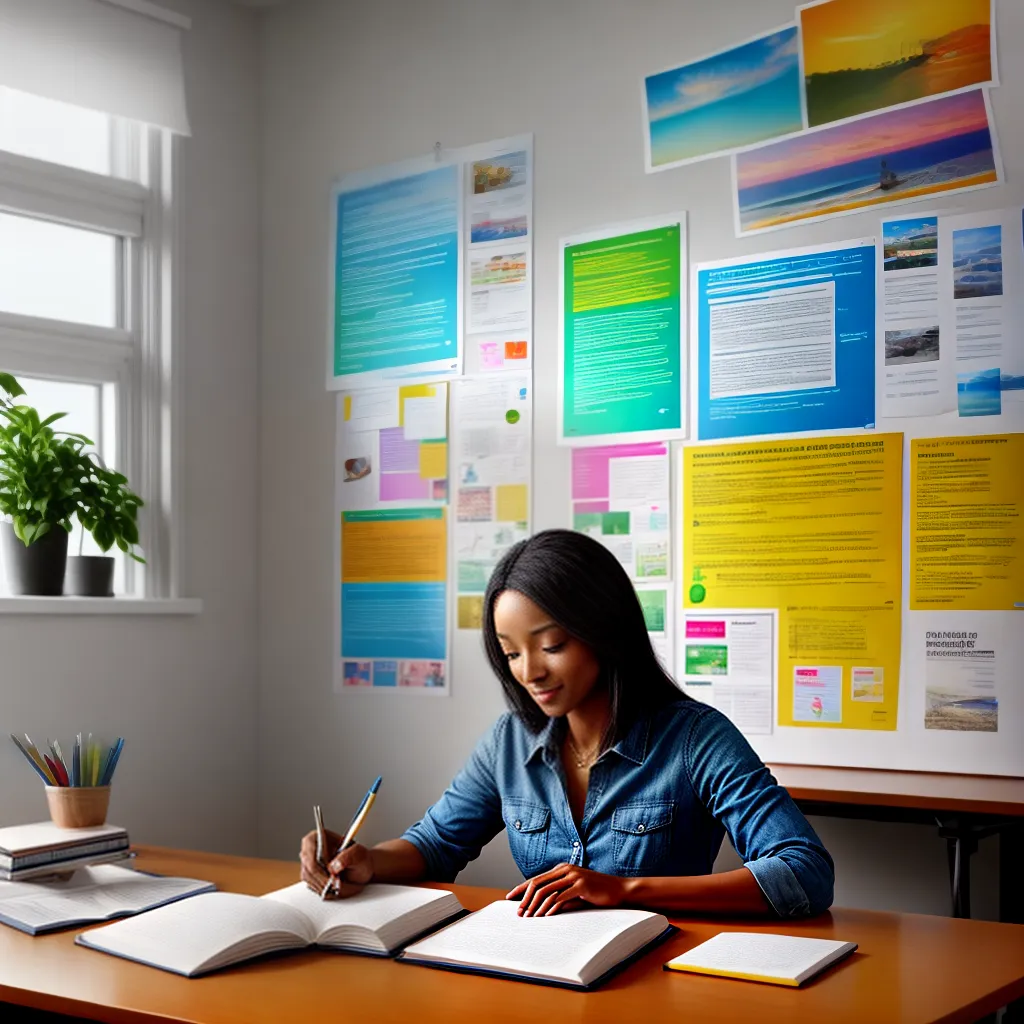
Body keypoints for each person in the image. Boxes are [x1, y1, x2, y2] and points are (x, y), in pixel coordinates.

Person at [301, 530, 834, 918]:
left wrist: (626, 890)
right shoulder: (509, 742)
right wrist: (365, 860)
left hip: (660, 977)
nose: (529, 672)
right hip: (542, 972)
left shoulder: (697, 738)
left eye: (551, 645)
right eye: (510, 653)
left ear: (604, 630)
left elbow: (805, 869)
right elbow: (436, 845)